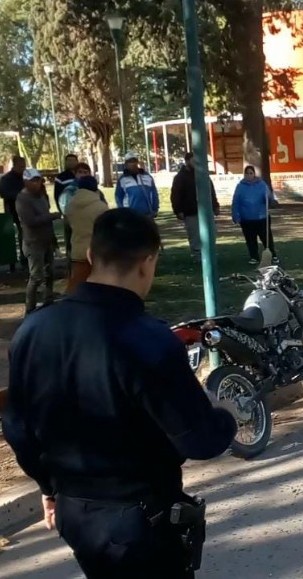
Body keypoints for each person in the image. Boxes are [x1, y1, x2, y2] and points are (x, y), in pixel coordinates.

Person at [2, 209, 237, 578]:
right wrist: (224, 415)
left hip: (74, 512)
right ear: (148, 262)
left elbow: (17, 426)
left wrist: (48, 487)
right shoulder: (147, 339)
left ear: (92, 257)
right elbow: (200, 441)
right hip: (139, 521)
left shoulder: (33, 330)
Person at [16, 169, 61, 314]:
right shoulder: (22, 199)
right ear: (26, 181)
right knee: (36, 276)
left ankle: (48, 299)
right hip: (33, 242)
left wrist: (53, 240)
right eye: (33, 180)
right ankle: (30, 307)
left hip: (46, 239)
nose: (37, 183)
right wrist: (51, 216)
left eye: (38, 180)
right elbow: (30, 221)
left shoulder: (41, 195)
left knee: (50, 273)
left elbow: (45, 216)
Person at [170, 152, 221, 259]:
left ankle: (209, 253)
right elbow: (176, 194)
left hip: (206, 210)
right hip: (191, 211)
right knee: (195, 235)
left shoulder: (203, 175)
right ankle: (197, 255)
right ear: (187, 161)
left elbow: (211, 190)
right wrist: (178, 210)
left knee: (211, 233)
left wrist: (215, 205)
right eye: (194, 161)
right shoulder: (180, 177)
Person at [64, 175, 108, 293]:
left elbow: (69, 225)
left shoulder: (70, 206)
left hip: (77, 250)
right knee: (98, 287)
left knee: (77, 285)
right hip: (96, 251)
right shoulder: (101, 207)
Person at [231, 165, 276, 265]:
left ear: (254, 174)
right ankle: (254, 256)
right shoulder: (240, 186)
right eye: (247, 173)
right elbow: (236, 202)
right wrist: (235, 215)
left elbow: (269, 198)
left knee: (266, 237)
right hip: (246, 218)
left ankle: (272, 255)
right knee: (250, 239)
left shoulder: (262, 185)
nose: (249, 175)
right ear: (244, 175)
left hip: (262, 217)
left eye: (251, 173)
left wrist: (268, 198)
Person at [0, 155, 27, 266]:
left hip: (25, 210)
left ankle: (24, 259)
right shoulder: (6, 179)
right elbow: (4, 193)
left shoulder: (26, 177)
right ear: (15, 166)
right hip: (12, 210)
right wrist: (21, 195)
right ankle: (12, 263)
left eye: (24, 166)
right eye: (21, 166)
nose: (23, 169)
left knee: (24, 234)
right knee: (11, 237)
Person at [115, 151, 159, 218]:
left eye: (134, 161)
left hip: (148, 214)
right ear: (126, 164)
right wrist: (123, 212)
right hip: (130, 216)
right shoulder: (122, 179)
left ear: (137, 162)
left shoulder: (147, 177)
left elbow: (154, 194)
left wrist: (155, 209)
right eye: (130, 161)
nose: (132, 164)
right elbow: (119, 197)